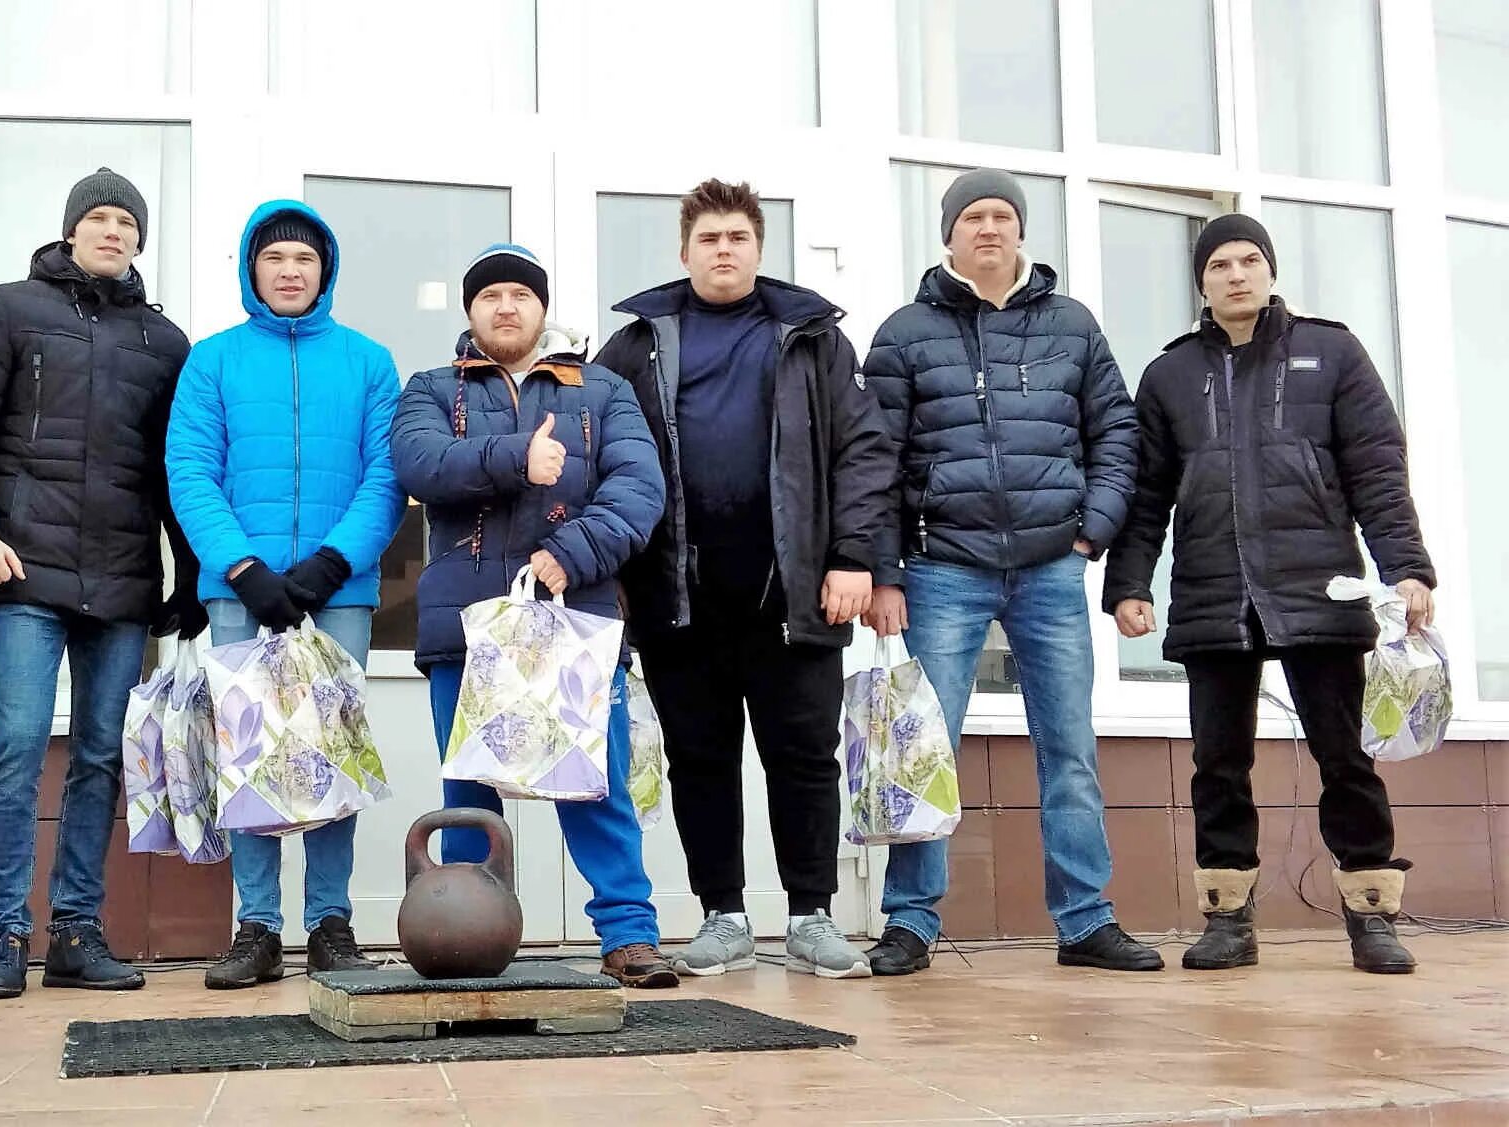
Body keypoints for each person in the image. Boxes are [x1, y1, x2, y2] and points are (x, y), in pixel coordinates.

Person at [1103, 214, 1435, 975]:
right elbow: (1148, 491)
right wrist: (1128, 583)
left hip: (1318, 586)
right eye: (1219, 263)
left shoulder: (1333, 352)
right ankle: (1227, 918)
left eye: (1250, 259)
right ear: (1202, 280)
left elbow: (1378, 468)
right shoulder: (1170, 375)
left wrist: (1406, 566)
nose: (1236, 274)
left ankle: (1372, 915)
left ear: (1270, 270)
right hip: (1215, 593)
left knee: (1345, 757)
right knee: (1218, 763)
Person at [593, 179, 898, 980]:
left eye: (737, 237)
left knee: (803, 756)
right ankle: (722, 915)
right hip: (678, 598)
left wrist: (854, 556)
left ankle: (811, 915)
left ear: (758, 248)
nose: (723, 250)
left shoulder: (811, 337)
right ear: (683, 251)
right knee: (701, 758)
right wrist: (611, 576)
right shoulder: (634, 345)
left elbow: (862, 451)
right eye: (708, 239)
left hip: (796, 596)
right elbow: (598, 456)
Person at [859, 168, 1160, 975]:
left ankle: (1087, 920)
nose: (988, 228)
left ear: (1020, 231)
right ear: (949, 234)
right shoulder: (903, 333)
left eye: (1002, 215)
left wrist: (1090, 534)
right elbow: (874, 461)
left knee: (1070, 747)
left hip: (1050, 570)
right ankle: (912, 921)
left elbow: (1118, 434)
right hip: (940, 569)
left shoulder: (1072, 326)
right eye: (972, 217)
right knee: (926, 747)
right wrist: (883, 571)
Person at [0, 168, 200, 999]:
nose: (113, 231)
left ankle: (77, 930)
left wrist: (188, 574)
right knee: (17, 745)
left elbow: (174, 469)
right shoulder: (4, 309)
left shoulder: (166, 343)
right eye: (99, 217)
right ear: (71, 228)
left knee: (98, 753)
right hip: (24, 571)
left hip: (121, 582)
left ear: (140, 239)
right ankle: (4, 934)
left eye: (127, 221)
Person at [393, 244, 680, 988]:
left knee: (595, 783)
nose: (507, 306)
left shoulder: (603, 390)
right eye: (490, 296)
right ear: (470, 311)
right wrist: (519, 455)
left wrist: (572, 552)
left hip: (574, 619)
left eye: (521, 294)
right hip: (464, 628)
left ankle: (628, 933)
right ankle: (465, 933)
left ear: (542, 308)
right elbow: (420, 466)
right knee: (469, 794)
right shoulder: (429, 389)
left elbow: (640, 490)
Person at [166, 200, 405, 989]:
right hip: (240, 593)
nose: (291, 271)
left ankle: (331, 922)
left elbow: (387, 476)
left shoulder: (369, 362)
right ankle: (259, 926)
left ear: (325, 270)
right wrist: (243, 569)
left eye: (305, 259)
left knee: (328, 749)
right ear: (252, 270)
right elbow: (191, 471)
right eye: (276, 259)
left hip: (339, 592)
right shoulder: (214, 361)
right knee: (251, 752)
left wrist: (332, 564)